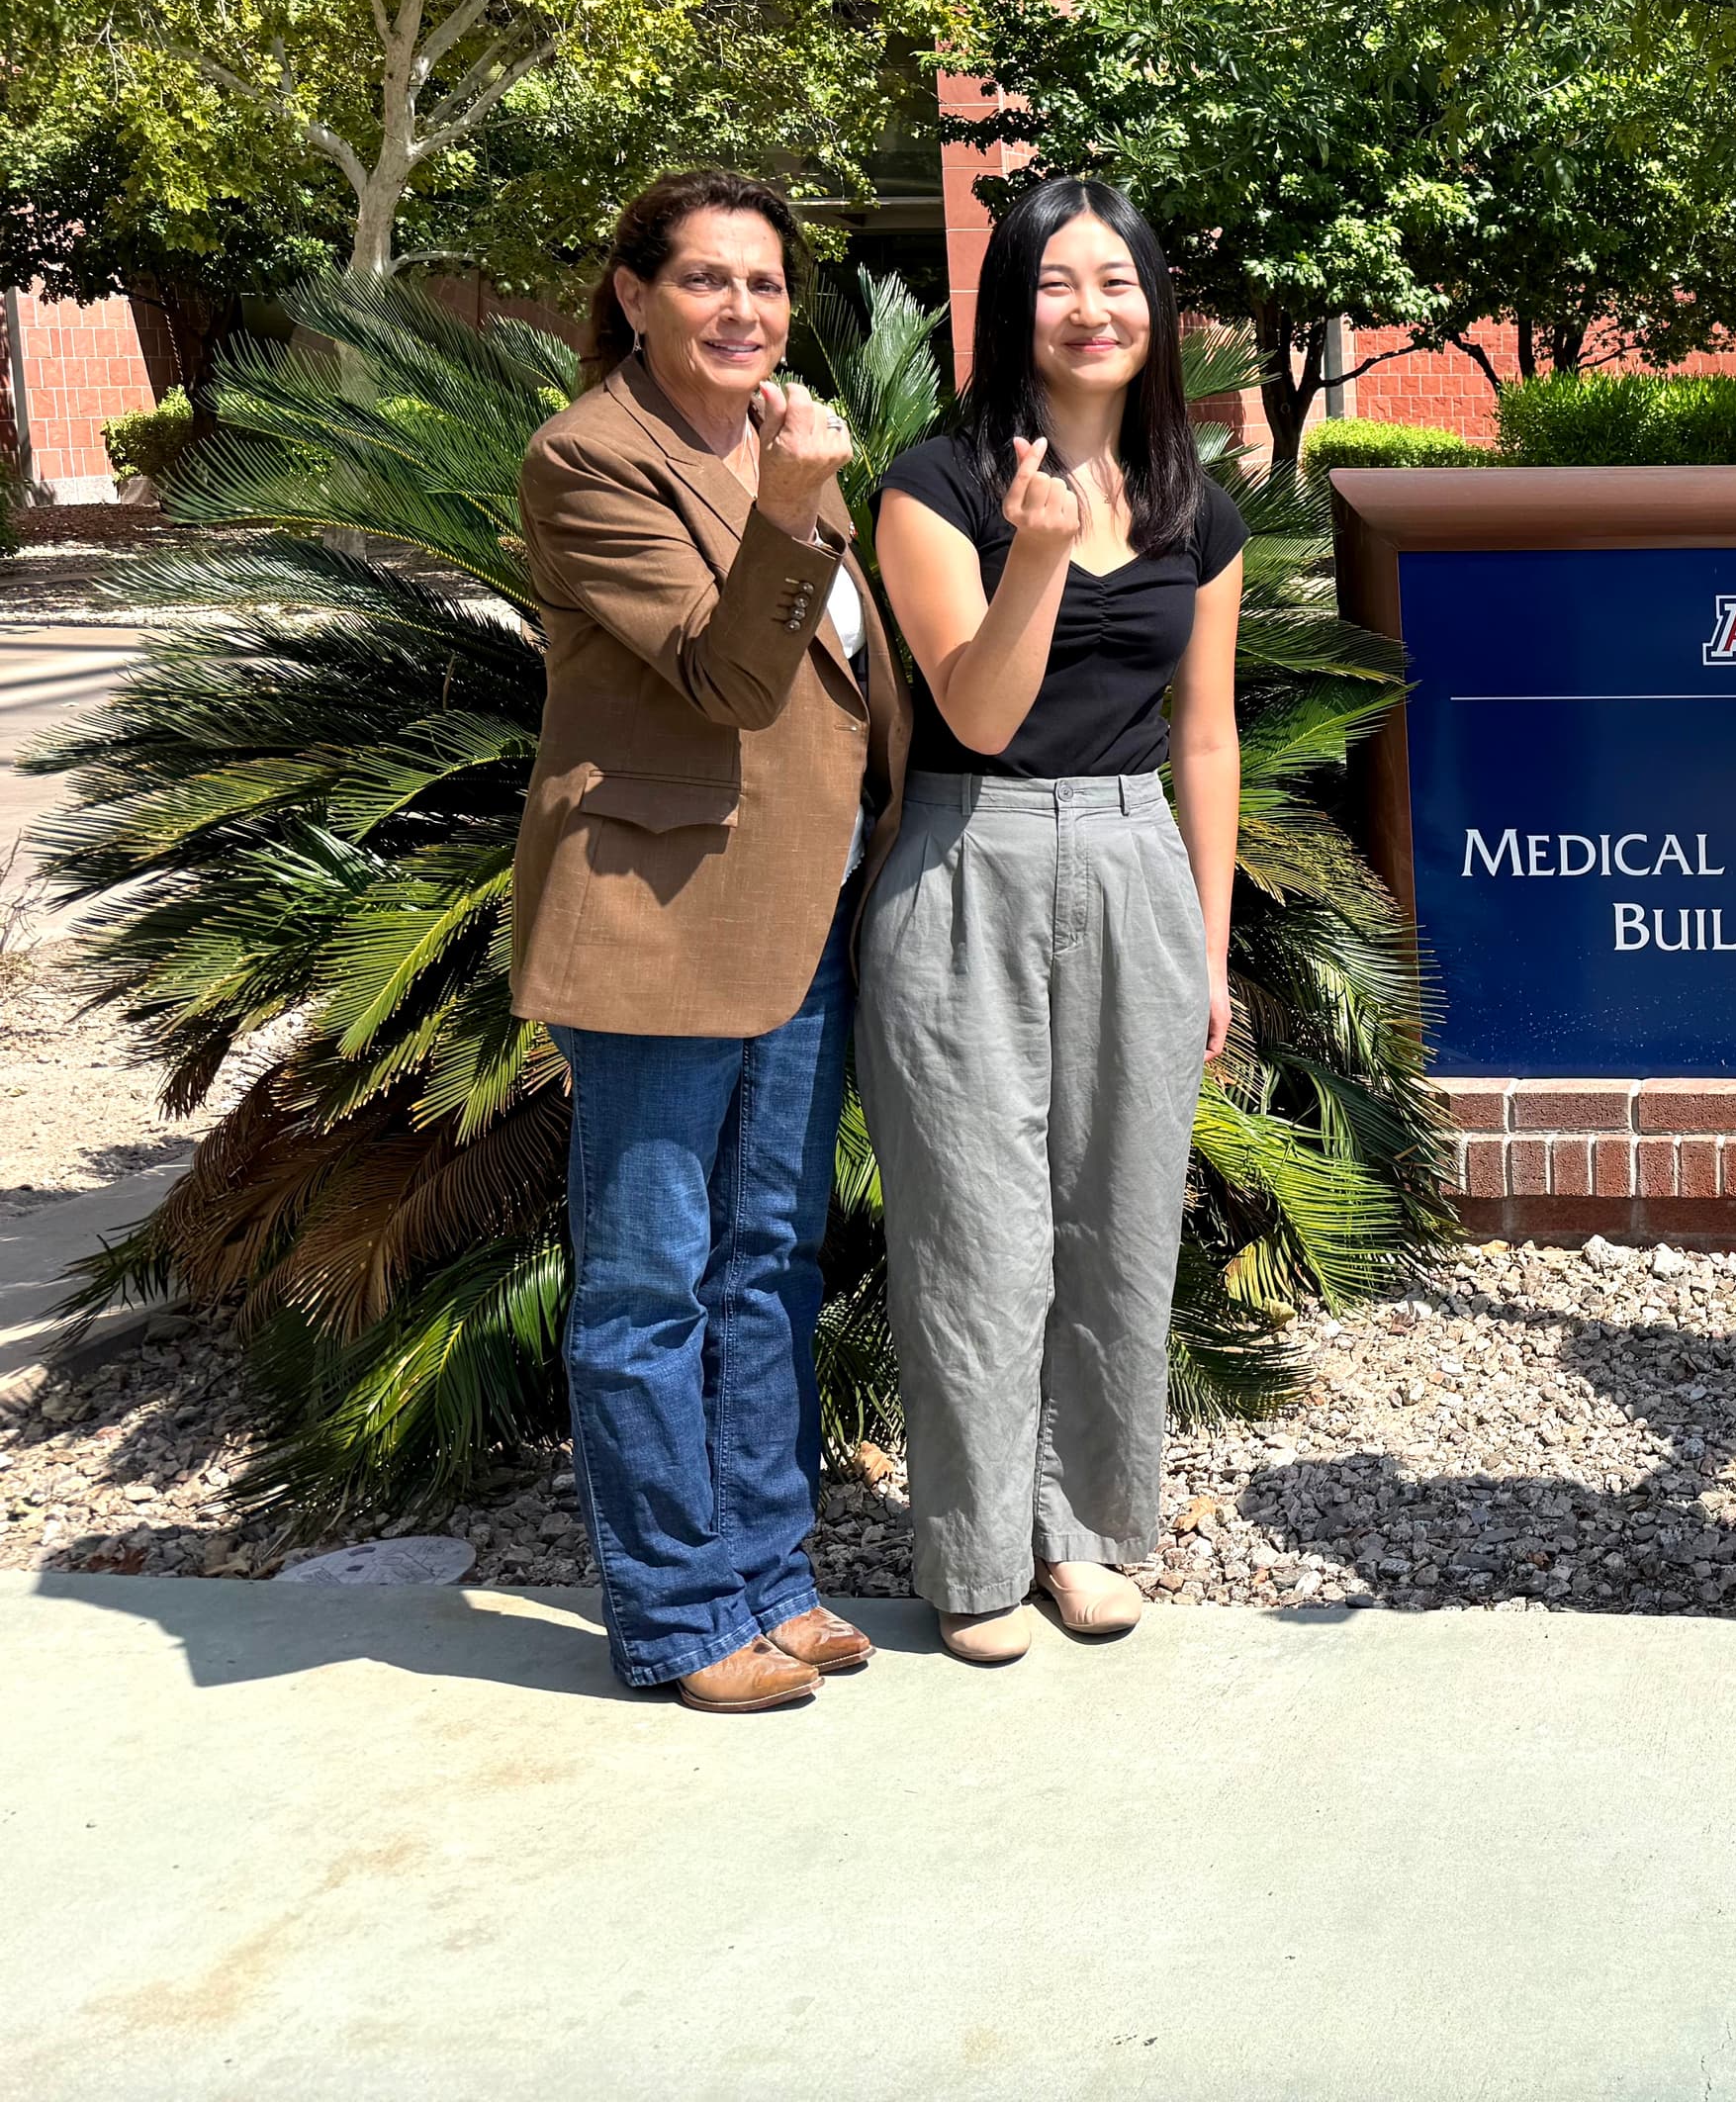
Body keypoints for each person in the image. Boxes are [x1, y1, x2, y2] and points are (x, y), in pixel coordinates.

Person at [515, 169, 905, 1712]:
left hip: (804, 904)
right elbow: (727, 681)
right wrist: (803, 507)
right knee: (647, 1282)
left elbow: (845, 679)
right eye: (705, 281)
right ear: (632, 294)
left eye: (765, 283)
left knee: (768, 1262)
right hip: (662, 924)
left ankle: (770, 1572)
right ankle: (678, 1618)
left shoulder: (772, 437)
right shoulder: (589, 459)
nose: (744, 310)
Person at [860, 177, 1244, 1667]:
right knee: (974, 1227)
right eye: (1059, 283)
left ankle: (1089, 1532)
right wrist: (1037, 551)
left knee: (1123, 1213)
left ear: (1156, 310)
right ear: (1009, 307)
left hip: (1135, 854)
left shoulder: (1195, 510)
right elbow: (973, 704)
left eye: (1123, 282)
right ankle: (969, 1553)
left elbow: (1204, 738)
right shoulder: (933, 486)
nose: (1095, 310)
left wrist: (1206, 946)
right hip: (970, 855)